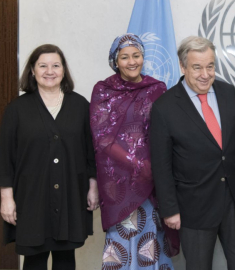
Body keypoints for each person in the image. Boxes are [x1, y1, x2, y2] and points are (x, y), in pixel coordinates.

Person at [150, 36, 235, 270]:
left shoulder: (228, 92)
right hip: (193, 206)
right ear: (183, 66)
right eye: (197, 67)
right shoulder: (164, 107)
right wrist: (170, 209)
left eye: (210, 66)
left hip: (233, 200)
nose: (205, 74)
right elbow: (161, 165)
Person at [0, 44, 98, 269]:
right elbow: (5, 156)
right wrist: (6, 198)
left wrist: (93, 186)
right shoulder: (17, 109)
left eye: (55, 65)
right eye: (42, 65)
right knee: (34, 258)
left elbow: (91, 150)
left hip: (70, 193)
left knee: (65, 258)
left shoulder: (80, 105)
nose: (49, 71)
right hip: (31, 196)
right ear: (32, 70)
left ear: (63, 70)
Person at [89, 33, 178, 270]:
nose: (132, 62)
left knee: (151, 243)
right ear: (115, 61)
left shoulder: (157, 88)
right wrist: (138, 165)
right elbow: (102, 138)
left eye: (136, 55)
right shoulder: (103, 90)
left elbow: (166, 133)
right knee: (121, 247)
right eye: (125, 57)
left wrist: (152, 169)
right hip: (119, 184)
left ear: (143, 57)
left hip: (152, 183)